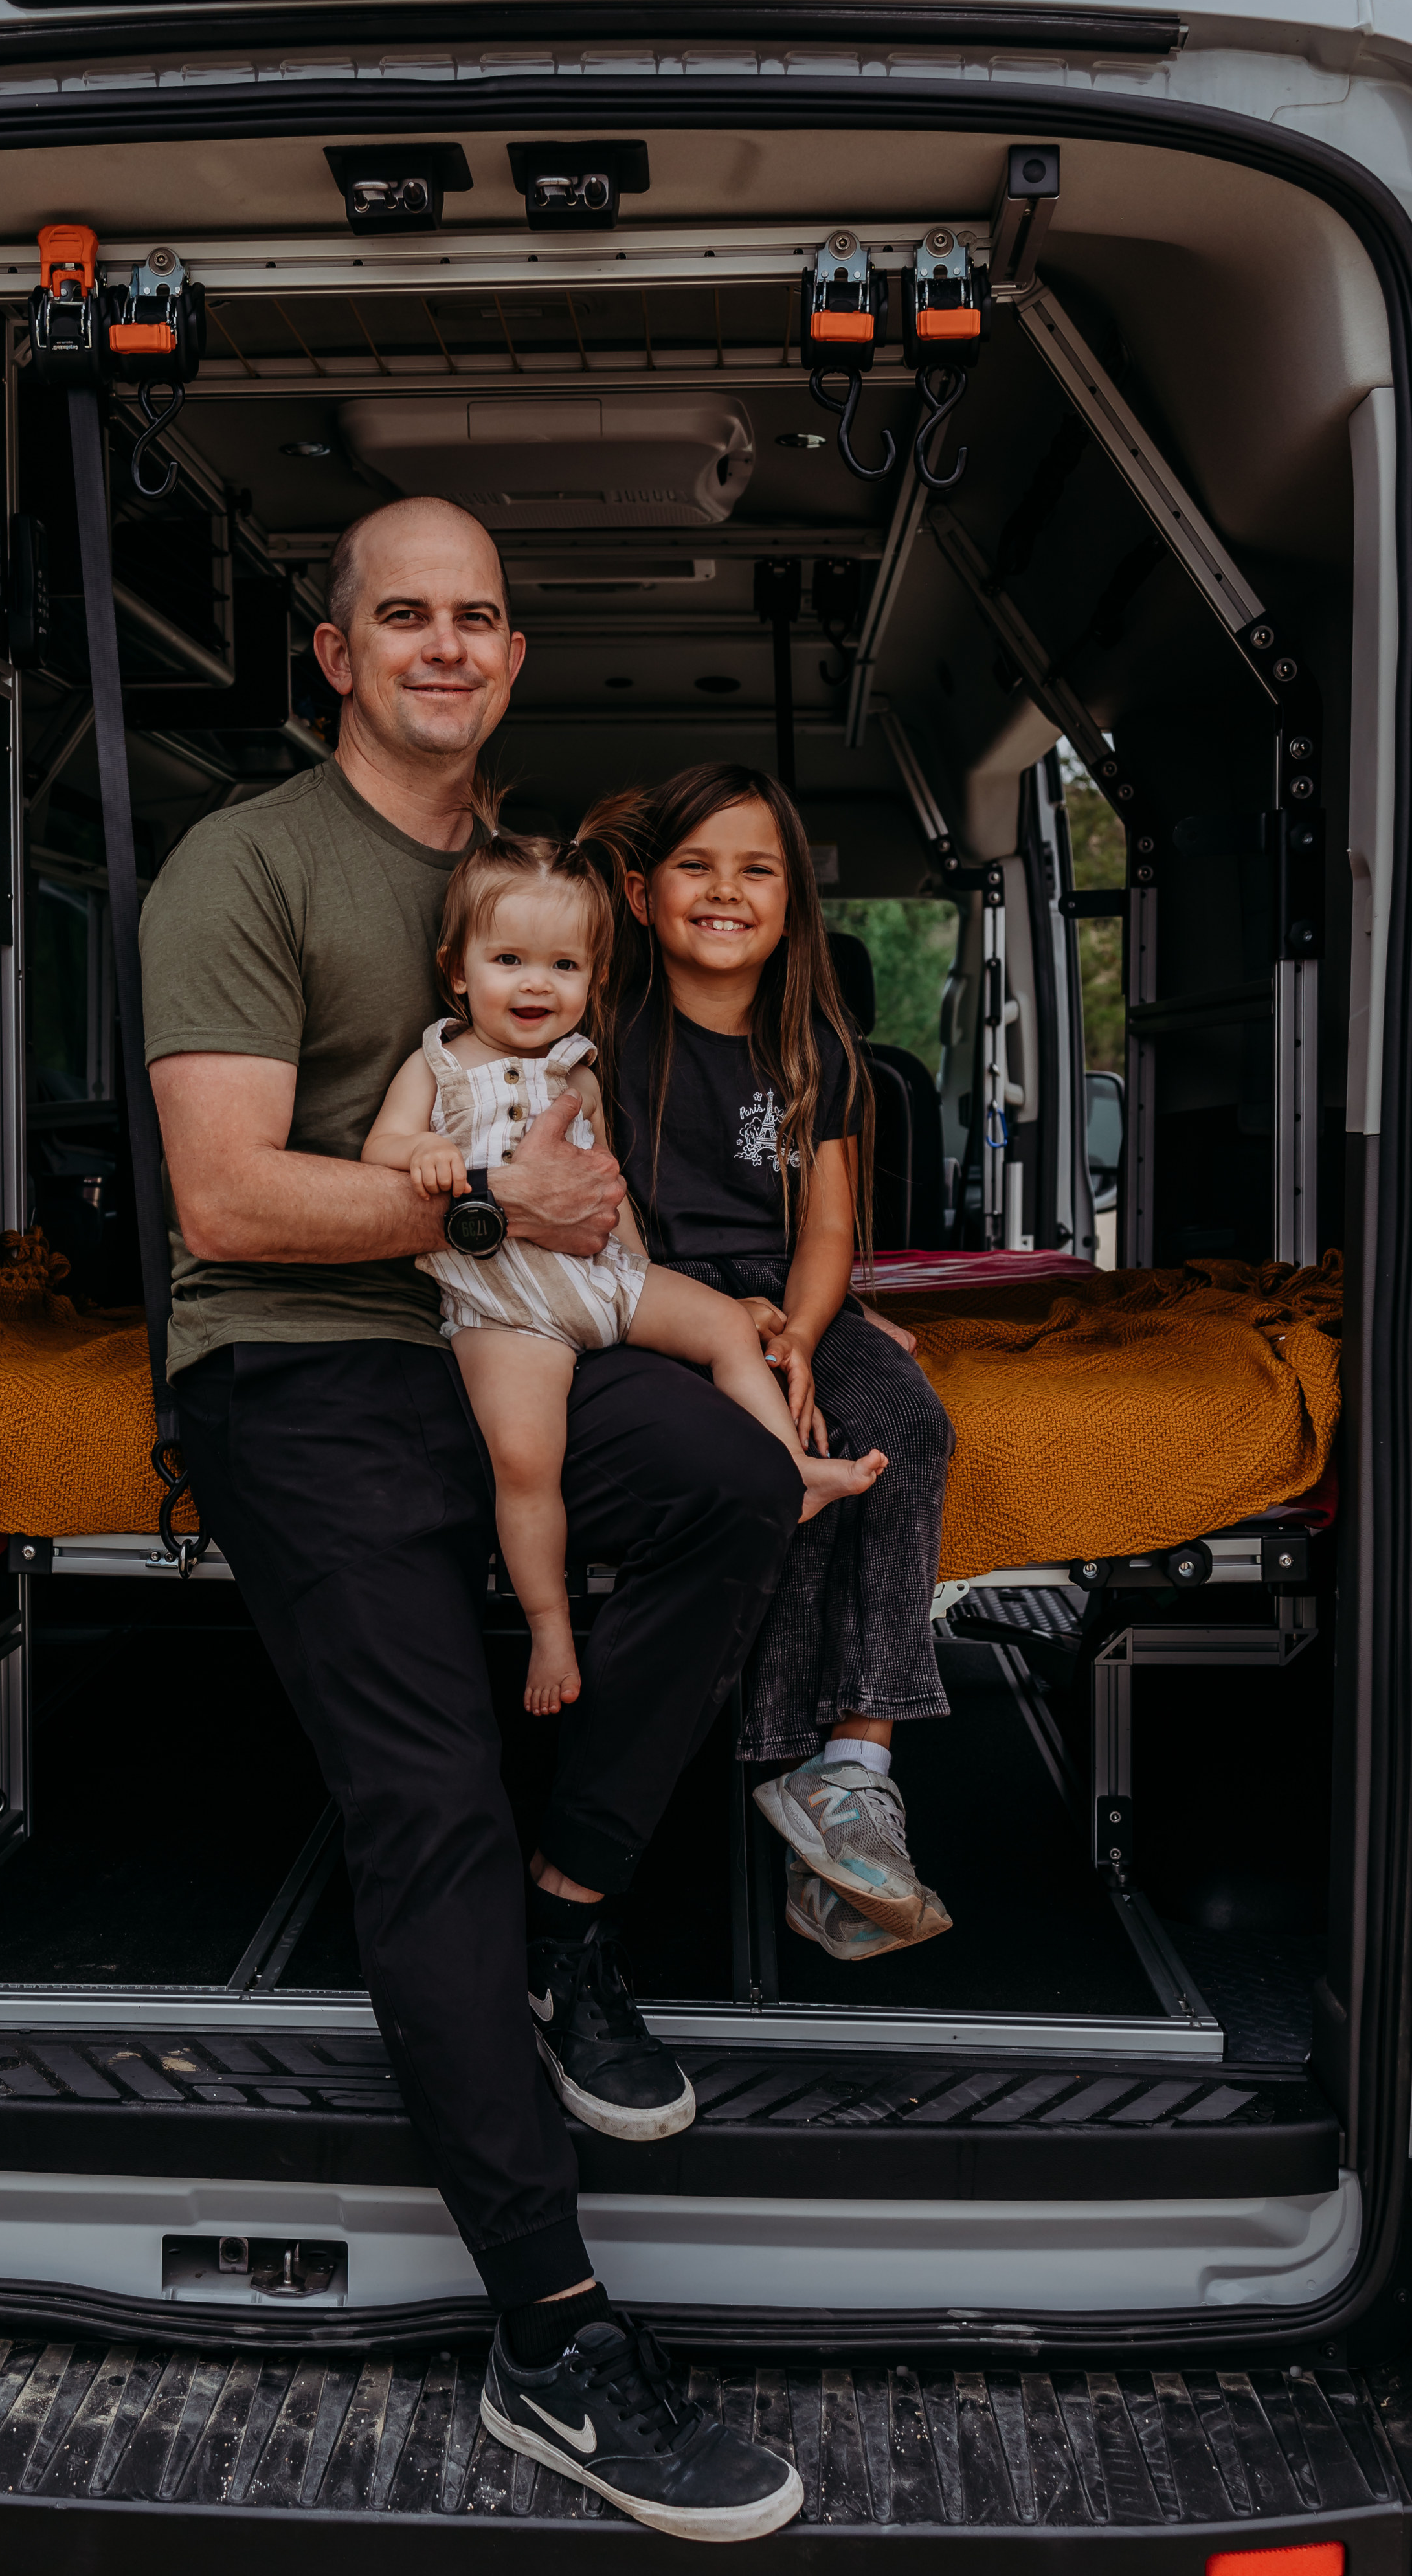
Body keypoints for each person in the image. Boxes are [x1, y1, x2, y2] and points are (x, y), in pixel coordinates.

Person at [140, 497, 805, 2542]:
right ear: (333, 655)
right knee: (422, 1792)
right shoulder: (241, 865)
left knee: (734, 1483)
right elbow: (230, 1200)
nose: (445, 642)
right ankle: (552, 2334)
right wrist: (497, 1203)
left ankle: (570, 1921)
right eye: (400, 615)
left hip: (495, 1337)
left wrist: (736, 1321)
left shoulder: (552, 887)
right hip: (298, 1363)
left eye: (480, 616)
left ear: (513, 657)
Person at [363, 827, 887, 1715]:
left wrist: (644, 1278)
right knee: (526, 1459)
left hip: (599, 1278)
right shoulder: (439, 1065)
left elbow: (609, 1191)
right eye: (510, 960)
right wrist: (426, 1156)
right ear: (458, 971)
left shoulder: (583, 1070)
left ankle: (787, 1468)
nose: (537, 984)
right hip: (508, 1308)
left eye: (565, 967)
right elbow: (381, 1146)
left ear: (595, 982)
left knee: (725, 1322)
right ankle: (550, 1628)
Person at [605, 763, 958, 1967]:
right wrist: (727, 1327)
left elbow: (826, 1232)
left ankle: (855, 1773)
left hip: (792, 1300)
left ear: (793, 903)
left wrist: (804, 1334)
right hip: (650, 1300)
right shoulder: (606, 1031)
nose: (726, 892)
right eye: (697, 866)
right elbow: (612, 1233)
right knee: (775, 1465)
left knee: (901, 1433)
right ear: (646, 895)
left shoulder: (818, 1048)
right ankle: (780, 1776)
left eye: (757, 870)